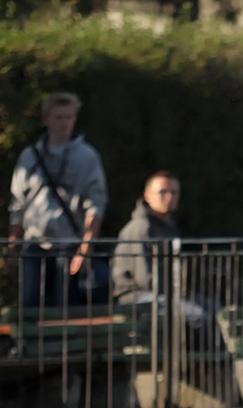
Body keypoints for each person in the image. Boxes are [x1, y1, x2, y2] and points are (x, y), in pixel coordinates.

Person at [8, 91, 108, 307]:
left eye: (69, 117)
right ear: (46, 119)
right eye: (58, 117)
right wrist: (13, 243)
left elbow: (96, 204)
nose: (64, 123)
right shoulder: (30, 156)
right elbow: (18, 202)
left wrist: (85, 249)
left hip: (69, 244)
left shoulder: (87, 156)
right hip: (35, 244)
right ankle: (29, 342)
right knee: (30, 304)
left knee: (64, 305)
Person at [112, 171, 181, 304]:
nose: (169, 197)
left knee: (211, 307)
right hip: (136, 296)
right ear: (147, 196)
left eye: (174, 192)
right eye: (162, 192)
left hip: (162, 295)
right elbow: (144, 279)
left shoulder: (168, 226)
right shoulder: (141, 228)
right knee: (195, 315)